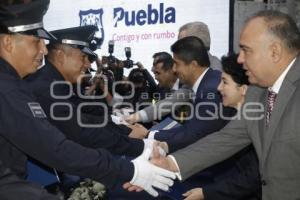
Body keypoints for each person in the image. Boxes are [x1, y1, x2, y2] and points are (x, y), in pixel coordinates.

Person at [0, 1, 176, 198]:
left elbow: (85, 119)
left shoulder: (19, 83)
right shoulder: (17, 87)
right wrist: (129, 168)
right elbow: (62, 143)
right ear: (8, 43)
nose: (44, 50)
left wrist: (123, 133)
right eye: (36, 41)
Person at [148, 10, 300, 200]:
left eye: (246, 50)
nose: (240, 59)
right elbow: (226, 139)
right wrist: (171, 163)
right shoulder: (257, 92)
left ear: (274, 52)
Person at [26, 26, 150, 156]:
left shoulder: (55, 83)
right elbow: (81, 131)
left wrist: (120, 126)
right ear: (60, 56)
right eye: (83, 57)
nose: (88, 65)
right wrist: (138, 143)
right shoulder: (46, 88)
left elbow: (84, 117)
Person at [182, 53, 260, 200]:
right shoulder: (228, 113)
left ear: (243, 89)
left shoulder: (258, 124)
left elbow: (251, 178)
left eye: (224, 82)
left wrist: (206, 193)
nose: (218, 88)